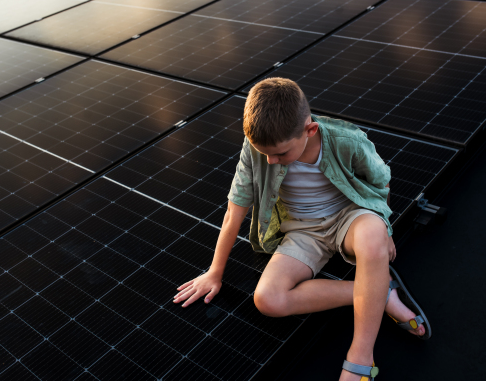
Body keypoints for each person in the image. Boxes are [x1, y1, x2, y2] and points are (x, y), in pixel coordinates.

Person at [173, 78, 430, 381]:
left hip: (351, 216)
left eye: (280, 154)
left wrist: (385, 229)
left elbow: (380, 182)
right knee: (267, 299)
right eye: (264, 153)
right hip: (302, 231)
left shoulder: (348, 139)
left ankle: (361, 357)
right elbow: (234, 210)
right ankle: (378, 293)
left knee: (373, 238)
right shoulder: (257, 149)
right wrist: (215, 272)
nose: (270, 160)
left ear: (310, 130)